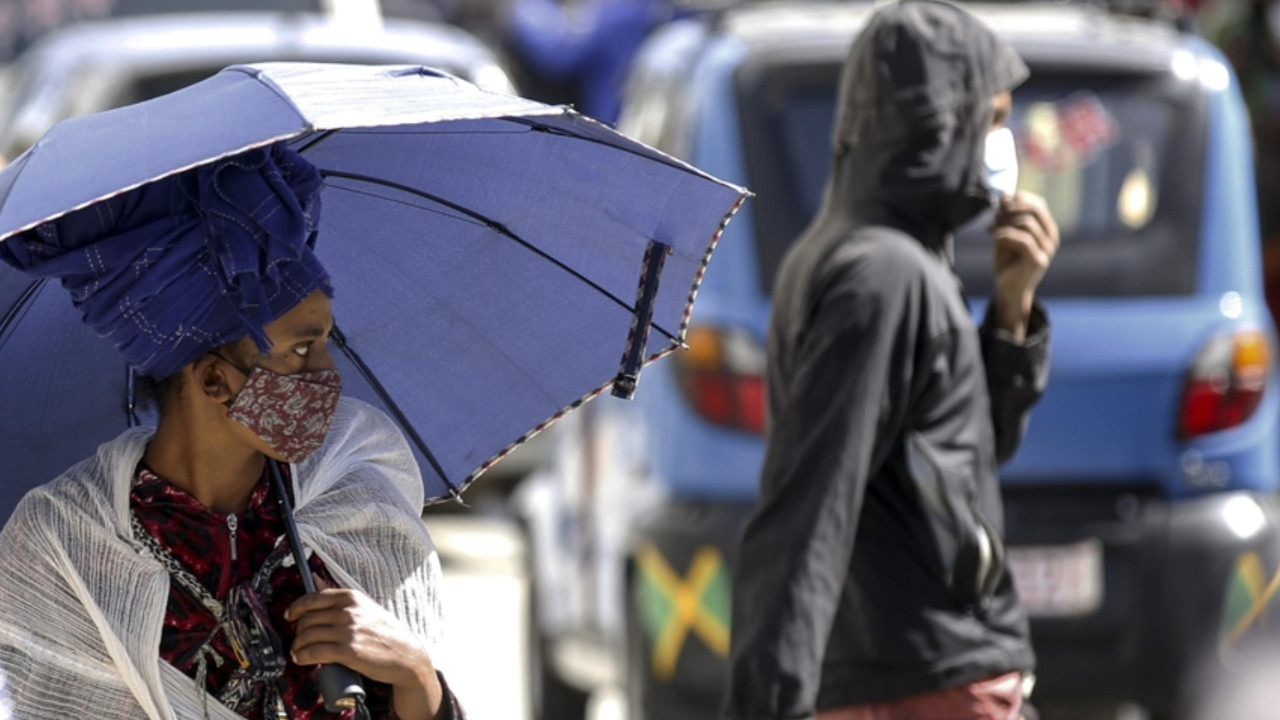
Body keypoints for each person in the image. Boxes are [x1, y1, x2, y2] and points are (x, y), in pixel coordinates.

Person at [0, 143, 464, 720]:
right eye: (301, 350)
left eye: (324, 342)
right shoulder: (65, 546)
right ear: (215, 380)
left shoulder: (354, 495)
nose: (329, 375)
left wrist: (416, 676)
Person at [721, 2, 1059, 719]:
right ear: (941, 120)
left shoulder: (883, 256)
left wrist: (1011, 313)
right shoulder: (883, 274)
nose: (1005, 142)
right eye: (993, 118)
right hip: (928, 679)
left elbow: (953, 462)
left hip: (919, 670)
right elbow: (810, 505)